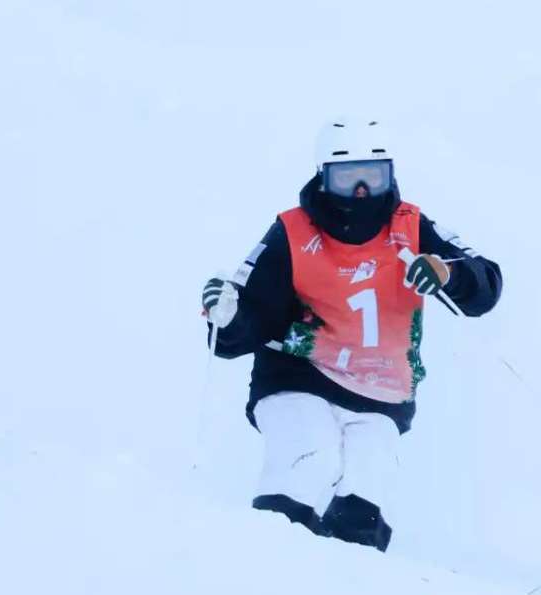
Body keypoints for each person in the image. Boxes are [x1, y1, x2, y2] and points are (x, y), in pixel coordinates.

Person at [200, 117, 502, 552]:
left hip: (381, 392)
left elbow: (485, 284)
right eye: (347, 179)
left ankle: (349, 589)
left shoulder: (410, 227)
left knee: (368, 491)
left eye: (372, 178)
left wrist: (447, 274)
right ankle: (263, 563)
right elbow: (244, 325)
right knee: (310, 458)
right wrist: (227, 318)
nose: (362, 193)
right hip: (298, 376)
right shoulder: (293, 232)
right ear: (323, 180)